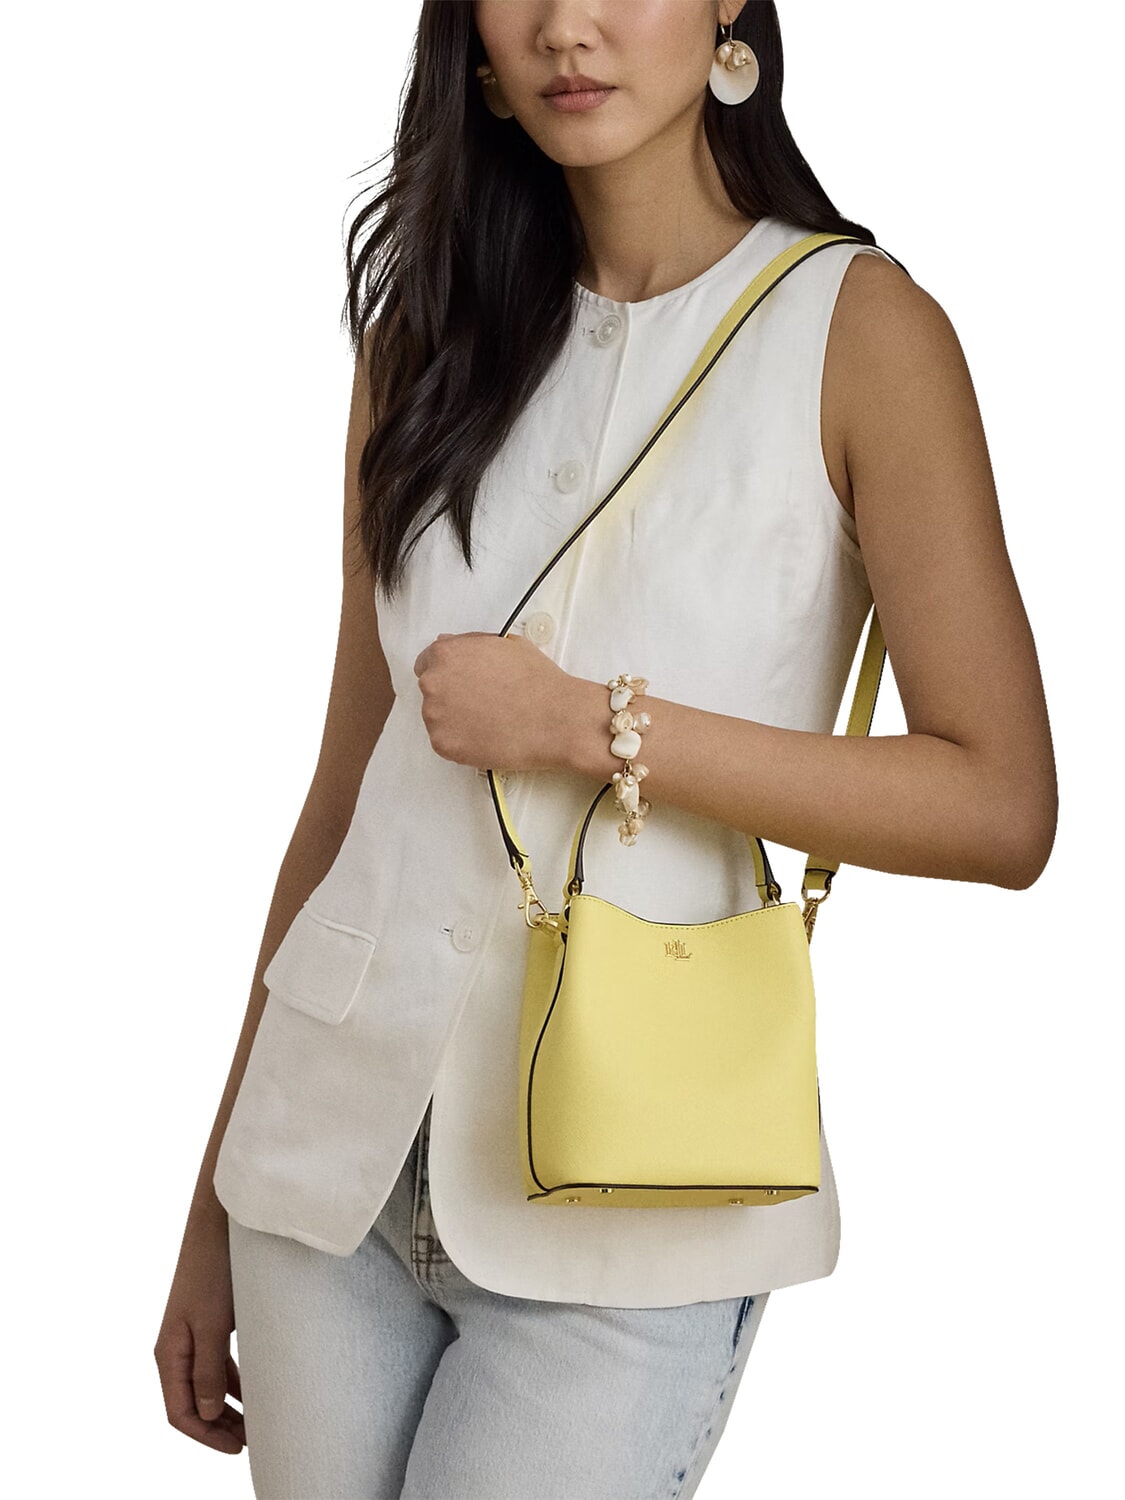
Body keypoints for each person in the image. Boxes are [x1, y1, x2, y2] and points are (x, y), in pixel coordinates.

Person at [154, 2, 1057, 1496]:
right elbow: (347, 792)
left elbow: (1000, 803)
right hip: (324, 1179)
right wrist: (210, 1203)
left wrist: (592, 726)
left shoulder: (860, 333)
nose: (566, 27)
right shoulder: (423, 332)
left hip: (638, 1204)